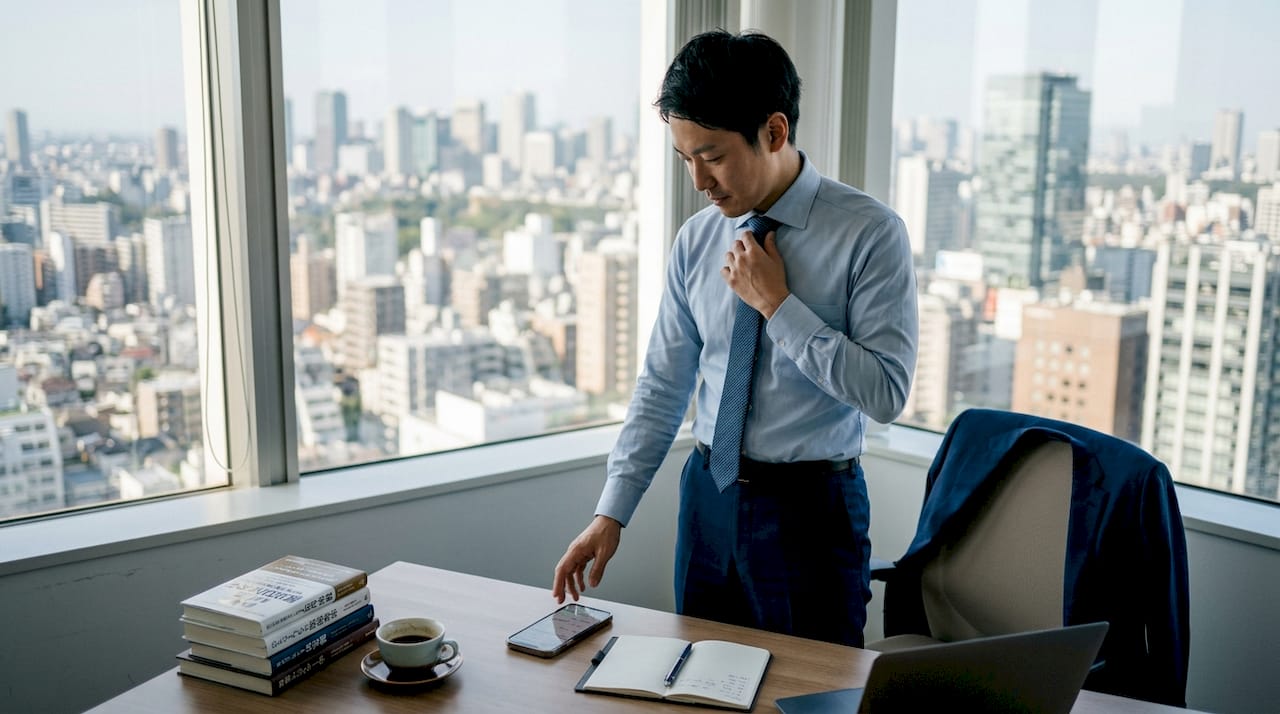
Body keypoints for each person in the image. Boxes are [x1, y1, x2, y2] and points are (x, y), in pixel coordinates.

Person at [552, 29, 918, 647]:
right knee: (696, 685)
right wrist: (609, 514)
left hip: (813, 510)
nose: (698, 179)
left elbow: (885, 393)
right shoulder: (697, 240)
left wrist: (779, 305)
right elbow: (663, 387)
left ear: (774, 132)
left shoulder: (871, 235)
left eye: (713, 155)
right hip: (707, 500)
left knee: (810, 698)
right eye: (684, 157)